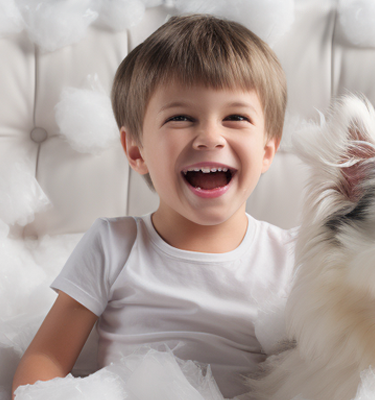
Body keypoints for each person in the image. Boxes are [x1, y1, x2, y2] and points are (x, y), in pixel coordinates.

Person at [12, 14, 293, 399]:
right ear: (135, 150)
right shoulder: (114, 243)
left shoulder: (290, 255)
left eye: (235, 117)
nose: (210, 136)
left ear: (266, 150)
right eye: (181, 117)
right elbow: (45, 359)